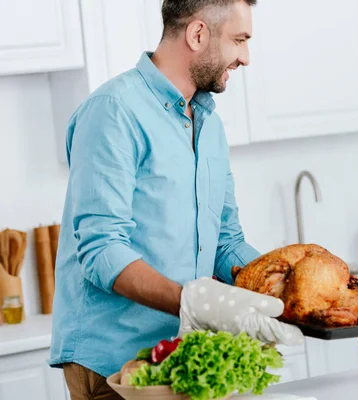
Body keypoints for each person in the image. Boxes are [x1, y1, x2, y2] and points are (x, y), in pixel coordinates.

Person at [49, 1, 303, 398]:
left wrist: (296, 294)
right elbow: (102, 249)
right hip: (114, 364)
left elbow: (227, 242)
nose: (246, 58)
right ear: (198, 34)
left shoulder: (209, 125)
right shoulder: (113, 111)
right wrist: (194, 301)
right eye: (239, 40)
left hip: (179, 353)